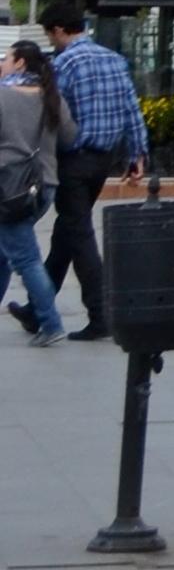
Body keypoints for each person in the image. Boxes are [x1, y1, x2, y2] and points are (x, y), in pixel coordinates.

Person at [38, 0, 146, 346]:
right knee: (67, 230)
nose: (51, 41)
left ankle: (101, 314)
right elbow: (132, 109)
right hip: (103, 160)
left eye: (49, 34)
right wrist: (137, 155)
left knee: (79, 235)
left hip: (73, 159)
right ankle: (38, 304)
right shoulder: (114, 59)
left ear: (58, 30)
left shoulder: (63, 63)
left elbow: (54, 116)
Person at [0, 43, 69, 348]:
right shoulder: (50, 95)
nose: (2, 63)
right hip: (44, 185)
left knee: (25, 258)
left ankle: (51, 323)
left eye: (6, 58)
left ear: (19, 63)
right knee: (6, 251)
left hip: (8, 187)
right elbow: (70, 136)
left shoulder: (3, 96)